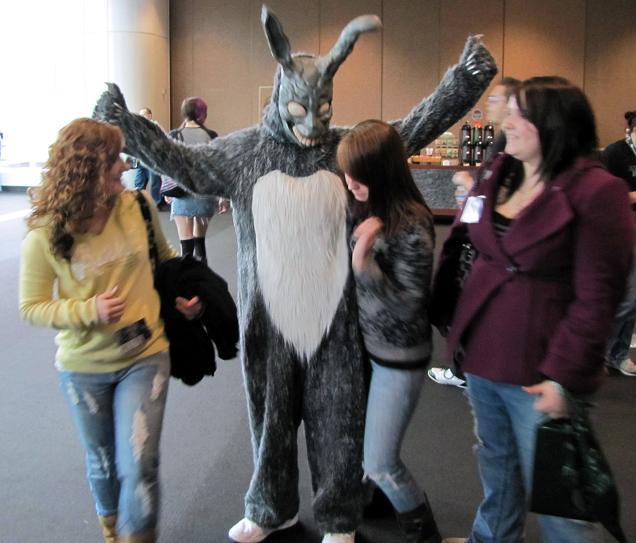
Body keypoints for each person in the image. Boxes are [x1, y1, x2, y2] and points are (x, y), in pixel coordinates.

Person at [93, 6, 497, 542]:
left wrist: (463, 81)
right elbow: (180, 163)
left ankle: (339, 517)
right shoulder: (243, 153)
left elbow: (409, 131)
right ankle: (270, 507)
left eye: (322, 110)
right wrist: (124, 122)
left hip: (337, 321)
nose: (313, 125)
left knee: (339, 424)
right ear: (281, 97)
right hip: (268, 320)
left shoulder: (346, 150)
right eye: (302, 109)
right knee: (269, 421)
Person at [441, 77, 633, 543]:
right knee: (497, 466)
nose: (507, 123)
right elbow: (480, 239)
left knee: (560, 495)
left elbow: (598, 298)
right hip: (483, 352)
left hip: (541, 368)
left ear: (554, 123)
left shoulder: (596, 190)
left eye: (520, 114)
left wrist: (564, 378)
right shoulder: (502, 171)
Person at [18, 118, 202, 543]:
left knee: (139, 462)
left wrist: (181, 298)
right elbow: (32, 307)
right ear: (86, 170)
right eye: (113, 160)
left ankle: (138, 537)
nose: (123, 166)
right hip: (84, 367)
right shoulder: (45, 233)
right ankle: (111, 529)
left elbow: (165, 257)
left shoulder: (135, 205)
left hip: (146, 354)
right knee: (102, 463)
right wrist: (87, 310)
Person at [337, 120, 439, 543]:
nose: (349, 182)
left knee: (380, 461)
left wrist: (364, 263)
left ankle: (423, 532)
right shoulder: (366, 206)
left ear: (380, 172)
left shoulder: (412, 223)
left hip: (400, 358)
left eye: (357, 174)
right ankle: (376, 502)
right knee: (362, 449)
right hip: (370, 351)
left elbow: (410, 304)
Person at [428, 77, 520, 389]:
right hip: (476, 241)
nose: (487, 105)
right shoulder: (501, 143)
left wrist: (470, 188)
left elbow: (497, 202)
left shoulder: (510, 146)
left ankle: (463, 369)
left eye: (495, 100)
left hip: (484, 245)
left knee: (467, 303)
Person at [167, 96, 226, 264]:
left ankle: (187, 286)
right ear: (202, 114)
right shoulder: (211, 135)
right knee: (200, 244)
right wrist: (223, 196)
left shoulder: (174, 135)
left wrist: (168, 189)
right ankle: (203, 281)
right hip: (205, 195)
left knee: (186, 248)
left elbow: (168, 165)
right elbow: (218, 168)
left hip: (182, 193)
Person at [601, 110, 636, 376]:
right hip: (624, 232)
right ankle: (600, 350)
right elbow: (606, 196)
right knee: (627, 296)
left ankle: (618, 352)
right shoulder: (615, 154)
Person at [133, 108, 166, 209]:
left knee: (155, 181)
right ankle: (139, 203)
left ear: (150, 116)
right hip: (141, 159)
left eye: (143, 114)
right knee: (139, 181)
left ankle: (157, 203)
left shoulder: (155, 126)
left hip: (152, 160)